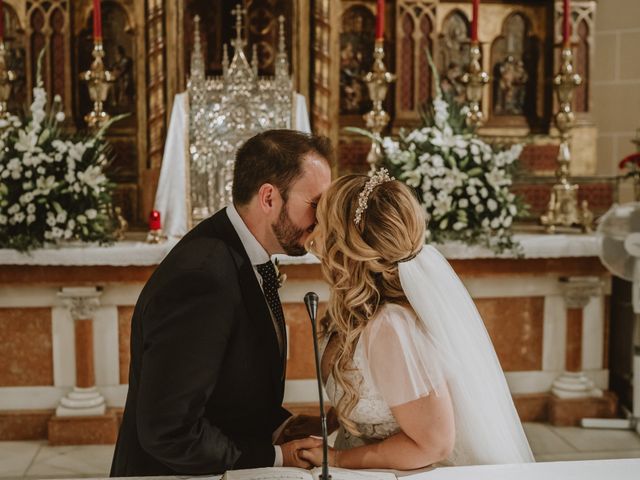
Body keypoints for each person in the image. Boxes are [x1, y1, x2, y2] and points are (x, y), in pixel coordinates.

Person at [110, 130, 333, 476]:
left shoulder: (243, 254)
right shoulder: (203, 277)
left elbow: (230, 383)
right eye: (316, 205)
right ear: (269, 197)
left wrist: (279, 426)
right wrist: (276, 456)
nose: (321, 220)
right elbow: (168, 431)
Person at [299, 170, 534, 470]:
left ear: (344, 245)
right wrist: (333, 419)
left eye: (321, 222)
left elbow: (435, 443)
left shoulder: (390, 328)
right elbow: (389, 398)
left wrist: (336, 458)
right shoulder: (359, 309)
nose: (312, 233)